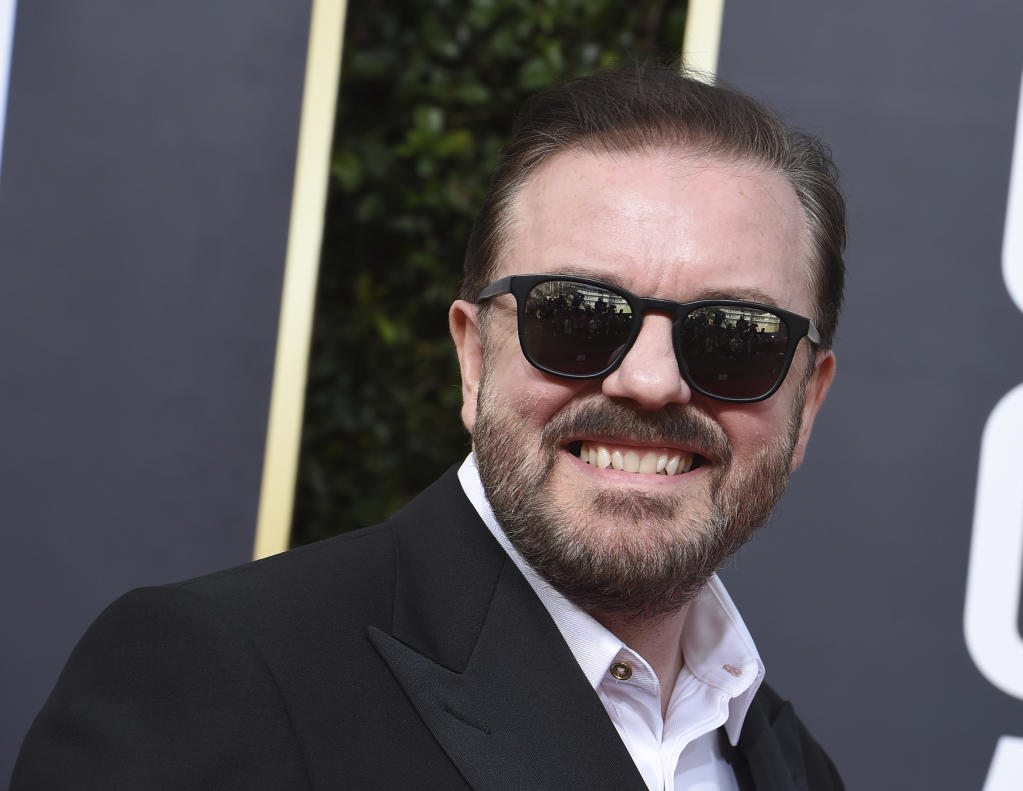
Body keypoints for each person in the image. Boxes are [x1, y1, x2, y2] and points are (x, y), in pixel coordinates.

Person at [13, 64, 847, 790]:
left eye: (736, 338)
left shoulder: (794, 767)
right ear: (474, 358)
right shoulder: (218, 683)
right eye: (579, 317)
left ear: (806, 402)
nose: (651, 380)